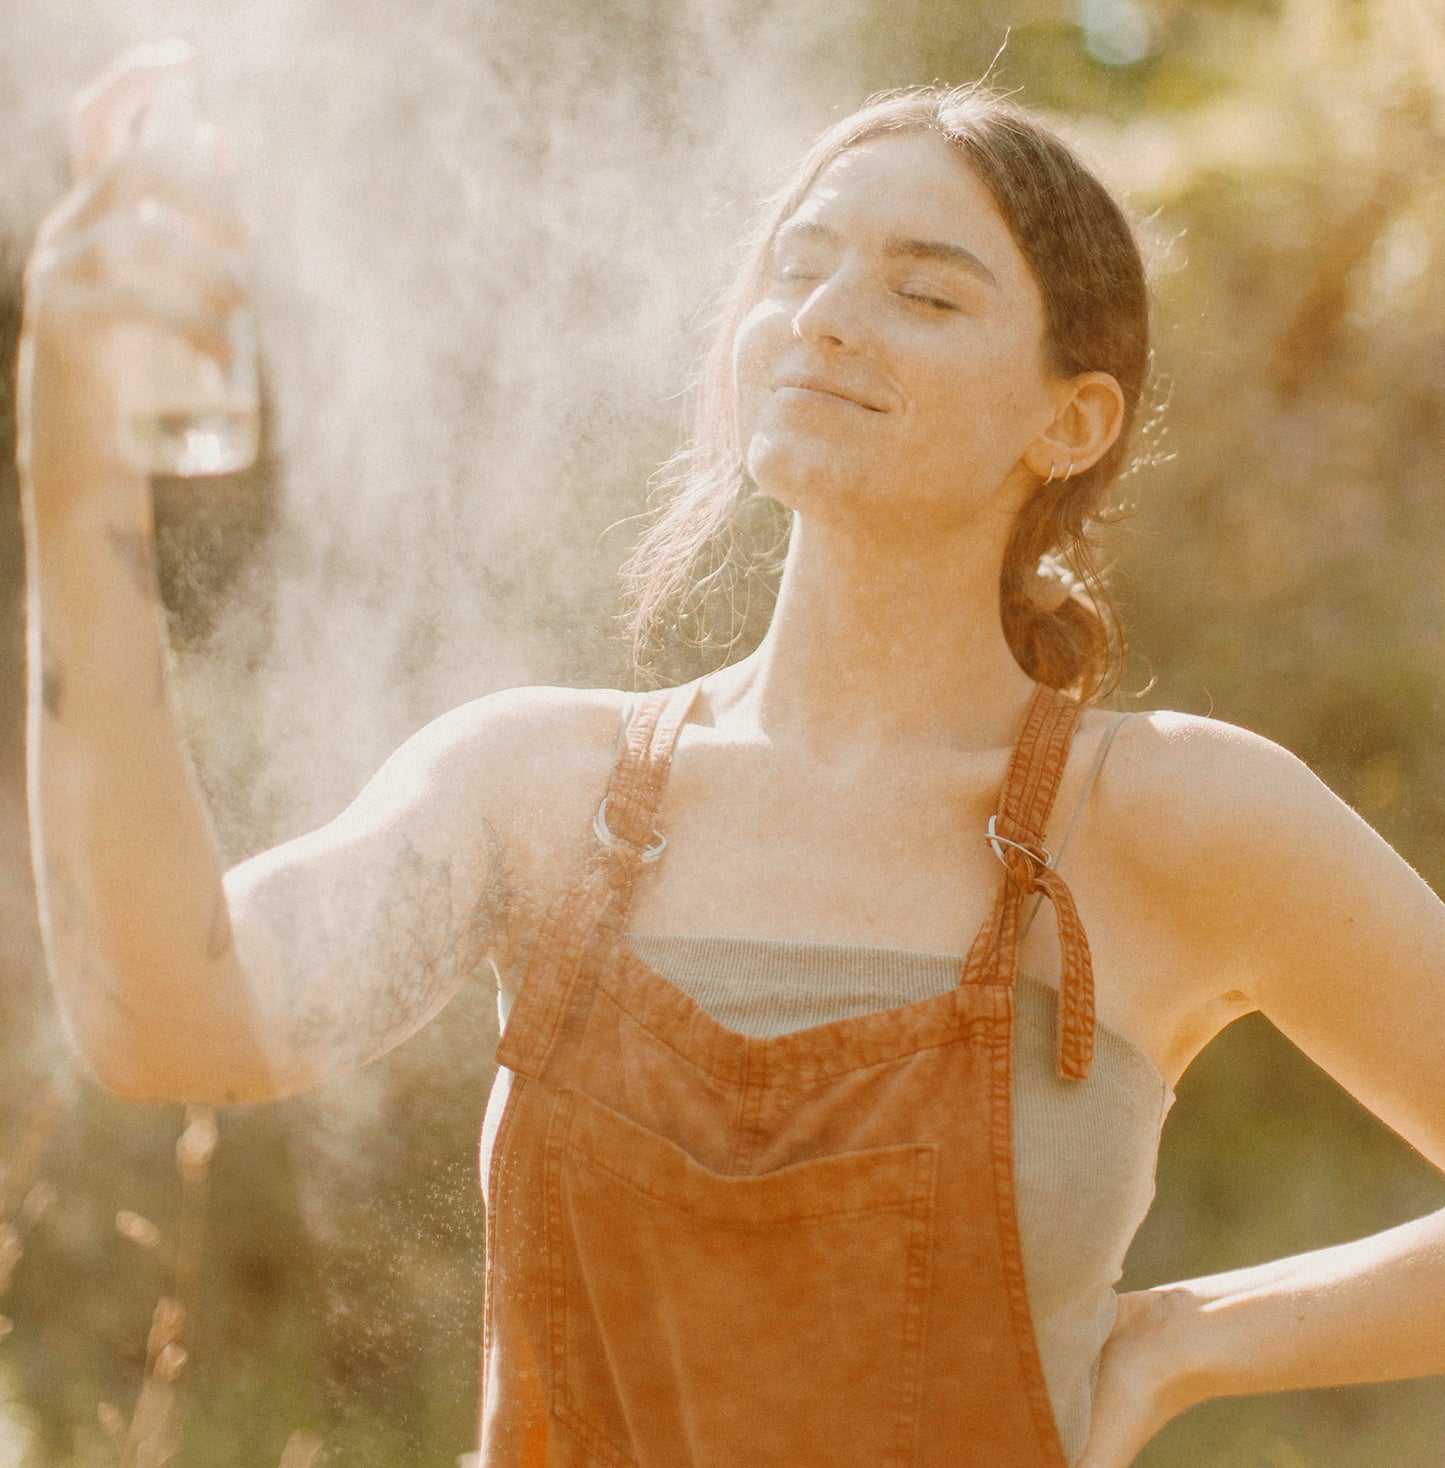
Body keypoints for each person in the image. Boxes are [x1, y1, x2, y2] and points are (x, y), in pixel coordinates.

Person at [17, 44, 1445, 1468]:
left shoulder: (1169, 815)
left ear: (1067, 422)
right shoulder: (536, 791)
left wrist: (1188, 1340)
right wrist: (77, 468)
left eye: (924, 291)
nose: (825, 316)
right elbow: (166, 1021)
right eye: (795, 268)